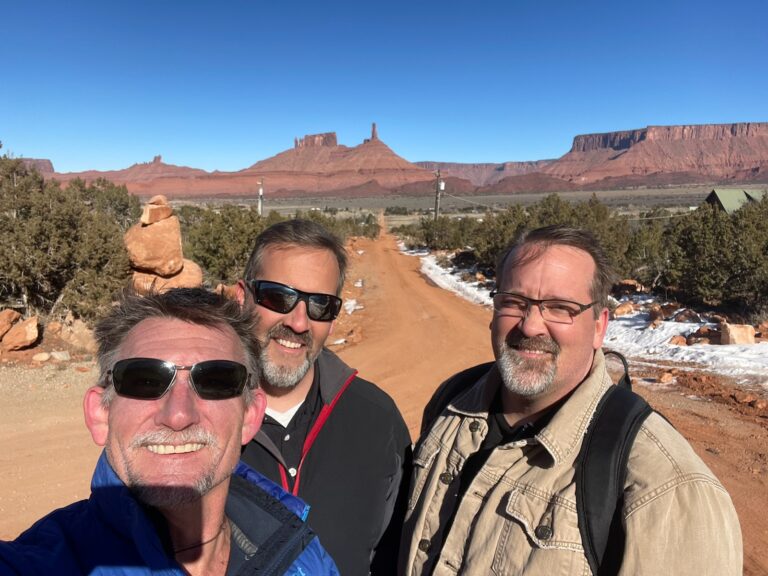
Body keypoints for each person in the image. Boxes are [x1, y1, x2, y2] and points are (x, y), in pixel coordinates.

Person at [399, 225, 742, 575]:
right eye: (514, 303)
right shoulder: (452, 405)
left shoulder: (666, 485)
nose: (531, 326)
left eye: (559, 308)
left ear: (599, 326)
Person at [0, 288, 338, 576]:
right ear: (101, 413)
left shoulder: (302, 553)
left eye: (215, 381)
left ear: (250, 415)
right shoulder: (45, 563)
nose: (178, 415)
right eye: (145, 381)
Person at [236, 219, 412, 575]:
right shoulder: (195, 417)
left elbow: (393, 557)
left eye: (320, 305)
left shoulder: (376, 420)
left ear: (333, 319)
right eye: (278, 297)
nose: (299, 323)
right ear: (243, 299)